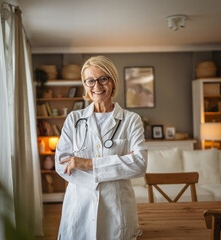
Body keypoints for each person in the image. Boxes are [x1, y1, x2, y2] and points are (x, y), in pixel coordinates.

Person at [55, 56, 148, 240]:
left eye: (103, 78)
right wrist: (118, 164)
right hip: (78, 207)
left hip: (117, 209)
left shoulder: (131, 120)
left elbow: (139, 165)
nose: (96, 85)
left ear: (113, 81)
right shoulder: (74, 119)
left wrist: (87, 163)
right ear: (85, 85)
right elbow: (61, 165)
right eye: (90, 80)